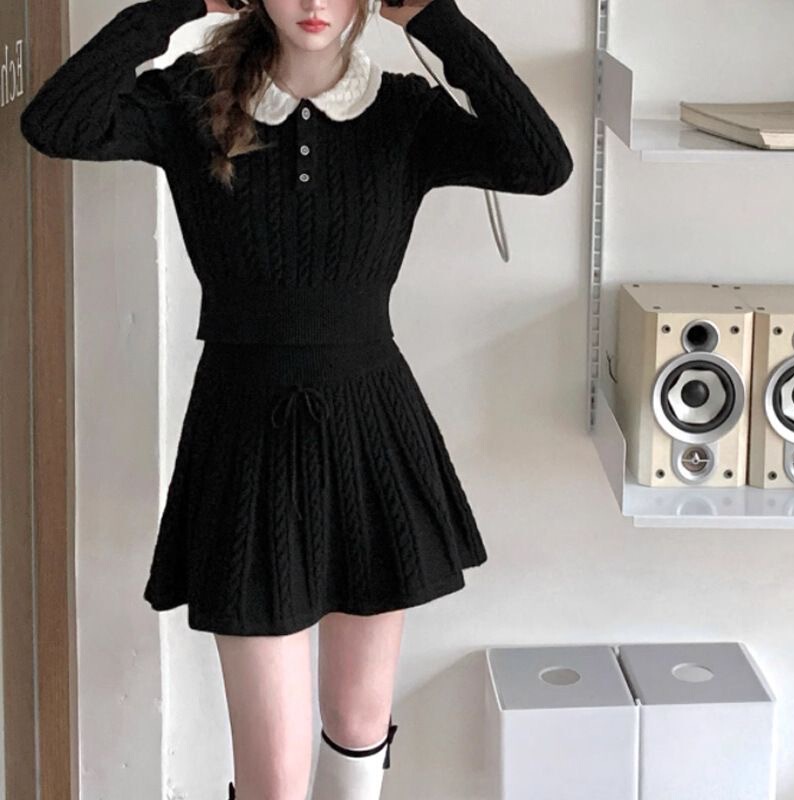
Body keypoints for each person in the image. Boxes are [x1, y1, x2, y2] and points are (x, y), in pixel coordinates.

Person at [19, 0, 573, 797]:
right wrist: (176, 7)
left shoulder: (404, 113)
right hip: (244, 437)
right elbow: (55, 123)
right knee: (274, 778)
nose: (314, 4)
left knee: (358, 722)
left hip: (371, 433)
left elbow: (542, 163)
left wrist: (433, 20)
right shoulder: (190, 100)